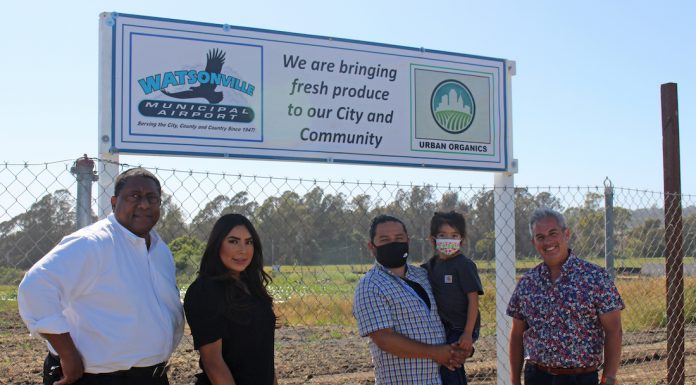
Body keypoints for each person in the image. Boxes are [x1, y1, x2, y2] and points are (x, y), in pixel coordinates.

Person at [18, 167, 184, 385]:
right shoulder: (93, 243)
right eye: (134, 196)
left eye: (152, 198)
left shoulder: (160, 250)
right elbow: (35, 286)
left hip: (150, 377)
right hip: (96, 378)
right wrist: (68, 355)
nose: (144, 204)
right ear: (114, 203)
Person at [507, 208, 624, 385]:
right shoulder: (527, 283)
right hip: (537, 377)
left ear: (566, 233)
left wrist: (609, 378)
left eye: (553, 233)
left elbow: (614, 330)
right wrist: (515, 380)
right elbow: (517, 333)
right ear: (534, 242)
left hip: (580, 378)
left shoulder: (595, 278)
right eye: (540, 237)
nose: (548, 241)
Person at [352, 214, 467, 385]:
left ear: (408, 241)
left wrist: (461, 348)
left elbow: (453, 310)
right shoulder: (370, 285)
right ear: (371, 246)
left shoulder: (425, 275)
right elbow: (384, 339)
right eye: (384, 239)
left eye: (399, 238)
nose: (393, 243)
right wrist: (436, 353)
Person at [183, 214, 277, 385]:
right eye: (233, 241)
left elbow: (266, 357)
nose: (243, 250)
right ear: (217, 244)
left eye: (248, 242)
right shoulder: (203, 292)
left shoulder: (253, 287)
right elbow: (213, 363)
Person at [422, 211, 483, 385]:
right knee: (442, 365)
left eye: (454, 235)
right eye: (443, 235)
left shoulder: (464, 265)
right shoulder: (429, 267)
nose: (448, 239)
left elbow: (473, 300)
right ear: (433, 239)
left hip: (460, 327)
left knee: (451, 363)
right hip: (443, 326)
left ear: (461, 240)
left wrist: (467, 333)